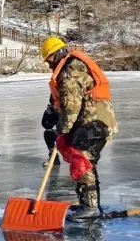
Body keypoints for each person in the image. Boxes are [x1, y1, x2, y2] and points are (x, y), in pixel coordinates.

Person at [41, 36, 117, 218]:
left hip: (94, 122)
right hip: (96, 120)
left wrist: (62, 129)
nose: (49, 64)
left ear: (56, 54)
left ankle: (90, 207)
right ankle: (89, 204)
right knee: (86, 161)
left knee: (80, 158)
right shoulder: (72, 66)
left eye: (49, 59)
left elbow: (71, 105)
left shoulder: (69, 72)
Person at [41, 98, 60, 166]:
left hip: (74, 134)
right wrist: (49, 113)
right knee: (48, 133)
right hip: (61, 133)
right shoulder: (54, 109)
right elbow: (47, 125)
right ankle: (54, 158)